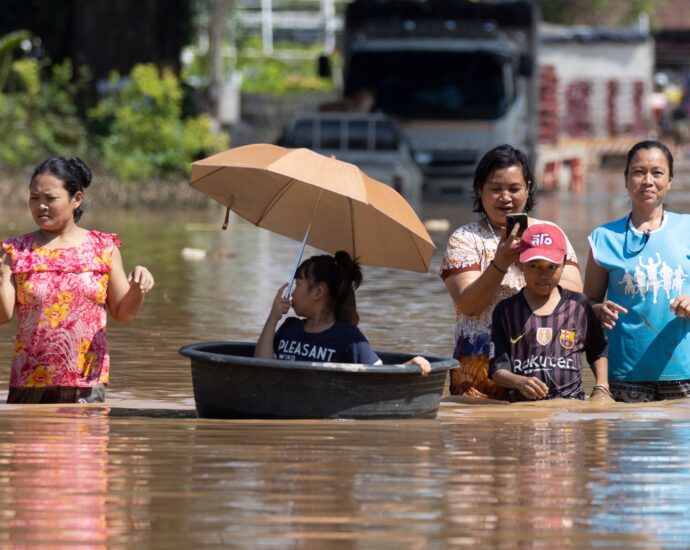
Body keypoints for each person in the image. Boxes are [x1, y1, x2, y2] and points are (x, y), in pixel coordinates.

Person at [0, 157, 155, 404]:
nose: (40, 206)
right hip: (29, 381)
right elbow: (3, 315)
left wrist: (138, 287)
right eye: (34, 198)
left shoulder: (103, 248)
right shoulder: (16, 250)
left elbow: (124, 314)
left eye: (50, 199)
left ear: (76, 199)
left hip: (85, 384)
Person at [440, 144, 583, 401]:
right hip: (478, 369)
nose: (505, 197)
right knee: (475, 436)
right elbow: (469, 305)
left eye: (514, 189)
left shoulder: (550, 233)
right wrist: (501, 262)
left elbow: (574, 297)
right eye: (496, 189)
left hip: (542, 365)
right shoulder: (464, 239)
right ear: (479, 190)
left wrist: (532, 264)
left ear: (528, 188)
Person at [584, 140, 690, 402]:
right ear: (626, 179)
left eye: (657, 172)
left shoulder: (688, 228)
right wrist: (598, 310)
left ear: (670, 180)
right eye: (638, 172)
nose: (647, 180)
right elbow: (587, 302)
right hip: (624, 375)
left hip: (683, 371)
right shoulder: (604, 238)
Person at [254, 250, 430, 374]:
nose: (292, 292)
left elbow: (380, 376)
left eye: (298, 284)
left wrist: (410, 365)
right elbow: (260, 369)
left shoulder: (349, 337)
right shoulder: (289, 328)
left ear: (318, 292)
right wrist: (272, 318)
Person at [489, 224, 610, 402]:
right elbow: (496, 370)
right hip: (525, 410)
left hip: (571, 408)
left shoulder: (579, 306)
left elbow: (598, 350)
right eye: (534, 265)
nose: (543, 275)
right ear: (519, 263)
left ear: (564, 264)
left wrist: (601, 386)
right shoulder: (506, 311)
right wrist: (519, 381)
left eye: (552, 267)